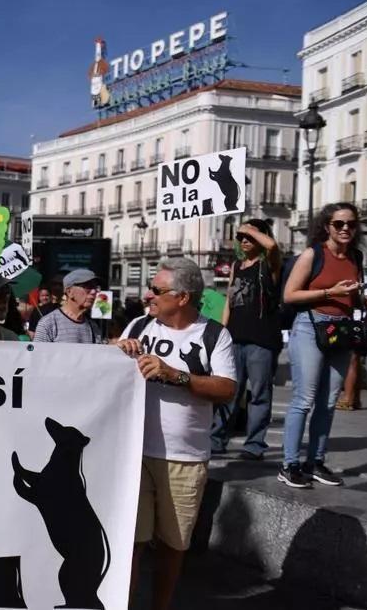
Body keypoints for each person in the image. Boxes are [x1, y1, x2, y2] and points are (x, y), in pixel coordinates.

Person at [116, 258, 236, 610]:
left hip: (184, 459)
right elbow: (106, 369)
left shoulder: (215, 334)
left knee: (173, 545)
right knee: (131, 543)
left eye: (157, 290)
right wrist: (115, 349)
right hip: (135, 454)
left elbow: (227, 389)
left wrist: (176, 375)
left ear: (182, 297)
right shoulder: (139, 326)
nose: (149, 295)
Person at [279, 202, 363, 489]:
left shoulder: (356, 257)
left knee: (328, 403)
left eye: (351, 224)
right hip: (310, 326)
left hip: (341, 331)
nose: (345, 229)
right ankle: (289, 464)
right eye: (339, 224)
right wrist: (331, 291)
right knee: (304, 399)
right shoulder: (313, 254)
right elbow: (290, 295)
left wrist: (361, 301)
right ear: (327, 226)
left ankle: (315, 461)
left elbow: (354, 297)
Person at [212, 219, 282, 459]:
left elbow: (272, 247)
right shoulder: (236, 265)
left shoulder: (270, 264)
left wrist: (249, 228)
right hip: (234, 337)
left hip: (261, 340)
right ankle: (216, 439)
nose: (243, 239)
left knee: (260, 395)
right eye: (240, 235)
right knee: (228, 391)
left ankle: (254, 445)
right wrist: (221, 333)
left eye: (250, 235)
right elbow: (229, 303)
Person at [33, 269, 102, 344]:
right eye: (87, 286)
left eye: (95, 287)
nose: (94, 292)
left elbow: (98, 354)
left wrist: (114, 348)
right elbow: (38, 354)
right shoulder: (48, 323)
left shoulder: (93, 327)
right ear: (69, 292)